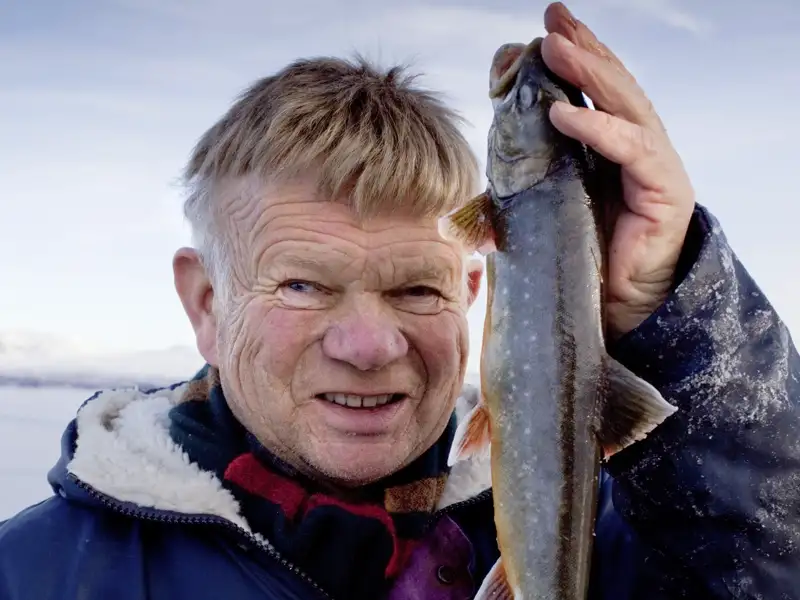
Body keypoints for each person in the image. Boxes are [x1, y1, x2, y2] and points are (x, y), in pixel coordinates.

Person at [1, 3, 798, 599]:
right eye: (304, 285)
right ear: (207, 304)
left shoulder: (618, 540)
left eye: (417, 287)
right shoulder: (34, 576)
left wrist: (678, 312)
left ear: (474, 296)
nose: (368, 345)